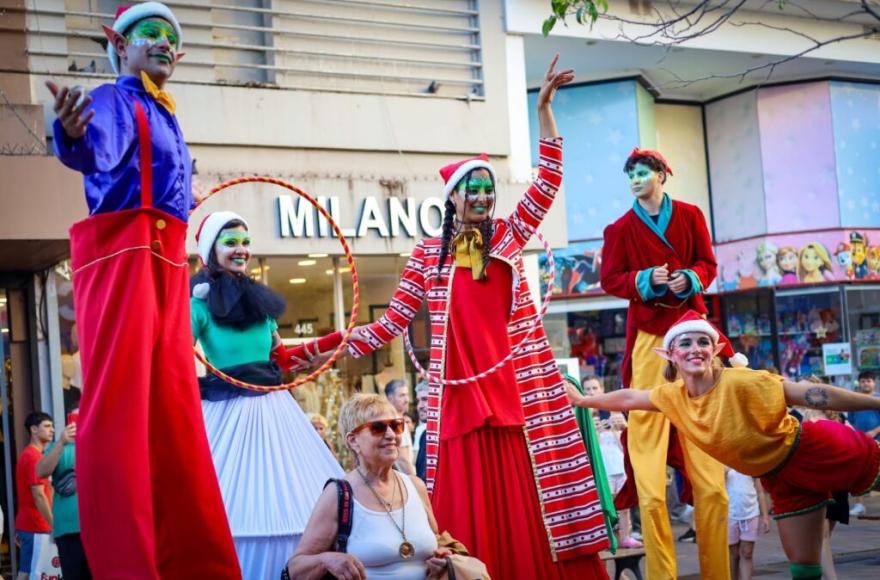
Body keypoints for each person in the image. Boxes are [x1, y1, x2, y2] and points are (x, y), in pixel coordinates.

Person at [347, 56, 609, 578]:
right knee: (470, 509)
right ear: (453, 200)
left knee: (528, 500)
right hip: (463, 398)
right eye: (474, 189)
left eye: (489, 188)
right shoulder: (428, 256)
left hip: (515, 391)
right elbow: (391, 324)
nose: (484, 197)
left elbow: (549, 180)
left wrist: (544, 110)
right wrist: (327, 346)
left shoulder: (509, 235)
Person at [45, 2, 239, 576]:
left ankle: (188, 558)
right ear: (119, 44)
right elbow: (96, 144)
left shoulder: (166, 114)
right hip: (125, 258)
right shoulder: (115, 99)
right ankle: (127, 561)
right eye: (150, 33)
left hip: (164, 261)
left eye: (172, 39)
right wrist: (73, 132)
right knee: (122, 409)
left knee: (173, 412)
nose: (164, 44)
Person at [567, 310, 880, 580]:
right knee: (803, 565)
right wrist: (583, 400)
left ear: (714, 349)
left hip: (814, 450)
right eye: (685, 343)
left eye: (703, 342)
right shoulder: (672, 396)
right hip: (780, 479)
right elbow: (630, 397)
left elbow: (814, 395)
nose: (695, 349)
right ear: (670, 354)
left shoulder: (740, 380)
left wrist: (877, 402)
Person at [191, 210, 345, 579]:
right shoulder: (198, 304)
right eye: (231, 243)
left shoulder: (259, 304)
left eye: (245, 242)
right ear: (210, 250)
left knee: (292, 497)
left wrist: (334, 342)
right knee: (229, 504)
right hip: (226, 413)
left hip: (275, 410)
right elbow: (175, 360)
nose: (241, 249)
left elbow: (281, 359)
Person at [600, 145, 726, 579]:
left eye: (643, 172)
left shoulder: (690, 215)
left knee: (713, 487)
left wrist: (689, 277)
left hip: (693, 333)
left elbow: (708, 264)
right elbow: (609, 278)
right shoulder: (620, 228)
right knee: (651, 488)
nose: (636, 180)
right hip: (649, 337)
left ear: (662, 175)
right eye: (630, 174)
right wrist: (643, 280)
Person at [286, 394, 452, 579]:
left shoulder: (416, 486)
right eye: (378, 428)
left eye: (396, 425)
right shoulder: (339, 495)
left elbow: (436, 544)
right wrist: (326, 560)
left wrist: (441, 562)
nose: (391, 435)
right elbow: (295, 568)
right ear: (353, 441)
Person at [36, 414, 91, 579]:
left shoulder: (101, 443)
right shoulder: (59, 447)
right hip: (68, 530)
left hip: (99, 529)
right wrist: (61, 442)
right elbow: (40, 471)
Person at [15, 413, 54, 580]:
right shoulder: (32, 457)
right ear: (34, 429)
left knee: (30, 572)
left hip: (33, 525)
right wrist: (54, 525)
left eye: (52, 426)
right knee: (30, 573)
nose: (52, 430)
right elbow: (38, 495)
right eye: (47, 426)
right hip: (35, 526)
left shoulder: (35, 455)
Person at [725, 468, 770, 580]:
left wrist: (765, 516)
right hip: (729, 514)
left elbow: (760, 492)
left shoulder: (749, 463)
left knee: (747, 552)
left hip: (751, 513)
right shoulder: (724, 463)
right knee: (733, 554)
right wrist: (724, 472)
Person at [384, 380, 416, 475]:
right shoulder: (394, 422)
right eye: (402, 395)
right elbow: (402, 459)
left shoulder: (400, 420)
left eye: (407, 395)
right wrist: (414, 480)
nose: (407, 400)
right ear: (390, 398)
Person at [413, 381, 430, 481]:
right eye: (418, 401)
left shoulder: (450, 435)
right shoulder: (424, 435)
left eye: (425, 399)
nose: (420, 406)